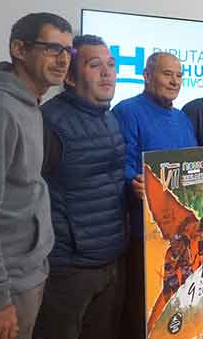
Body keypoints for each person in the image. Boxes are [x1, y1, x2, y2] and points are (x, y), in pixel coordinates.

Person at [33, 35, 127, 339]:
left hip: (111, 258)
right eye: (95, 65)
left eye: (111, 65)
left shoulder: (109, 118)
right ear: (71, 77)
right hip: (67, 269)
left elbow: (105, 183)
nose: (107, 73)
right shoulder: (48, 123)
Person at [0, 12, 72, 339]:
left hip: (28, 271)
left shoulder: (30, 102)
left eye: (68, 51)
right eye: (52, 49)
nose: (63, 59)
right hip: (5, 285)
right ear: (19, 49)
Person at [112, 51, 198, 339]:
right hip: (144, 232)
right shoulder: (127, 111)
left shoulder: (183, 118)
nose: (174, 81)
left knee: (176, 306)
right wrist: (132, 182)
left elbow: (193, 167)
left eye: (179, 76)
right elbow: (121, 164)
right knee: (142, 308)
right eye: (166, 74)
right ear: (147, 76)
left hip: (181, 233)